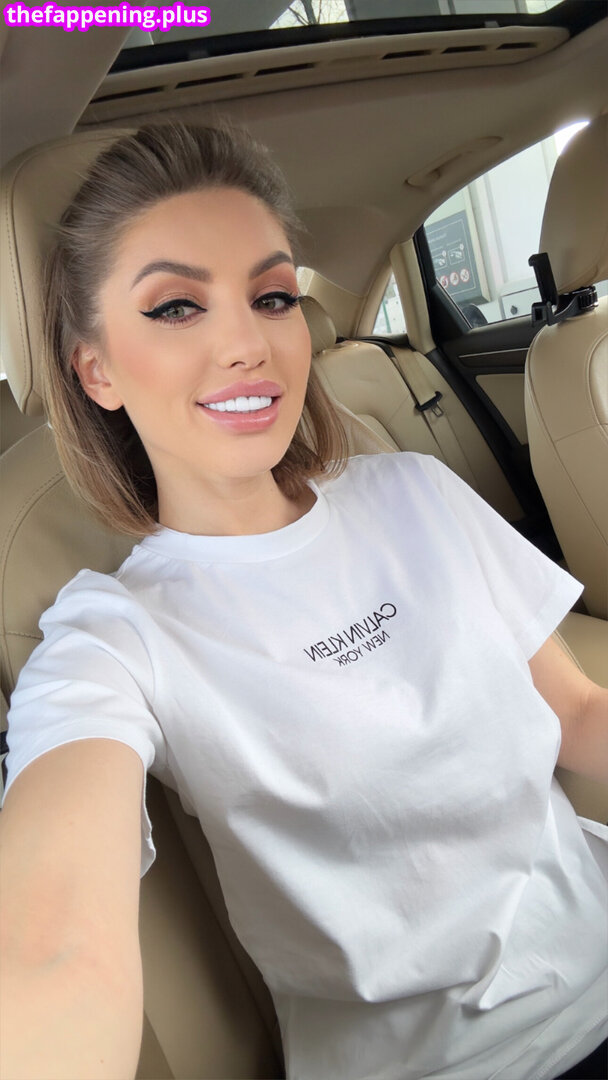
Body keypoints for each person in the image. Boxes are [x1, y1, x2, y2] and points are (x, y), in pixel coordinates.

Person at [0, 121, 606, 1080]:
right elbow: (55, 947)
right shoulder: (110, 640)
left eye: (273, 296)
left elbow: (576, 715)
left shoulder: (414, 492)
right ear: (96, 369)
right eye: (175, 307)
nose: (248, 343)